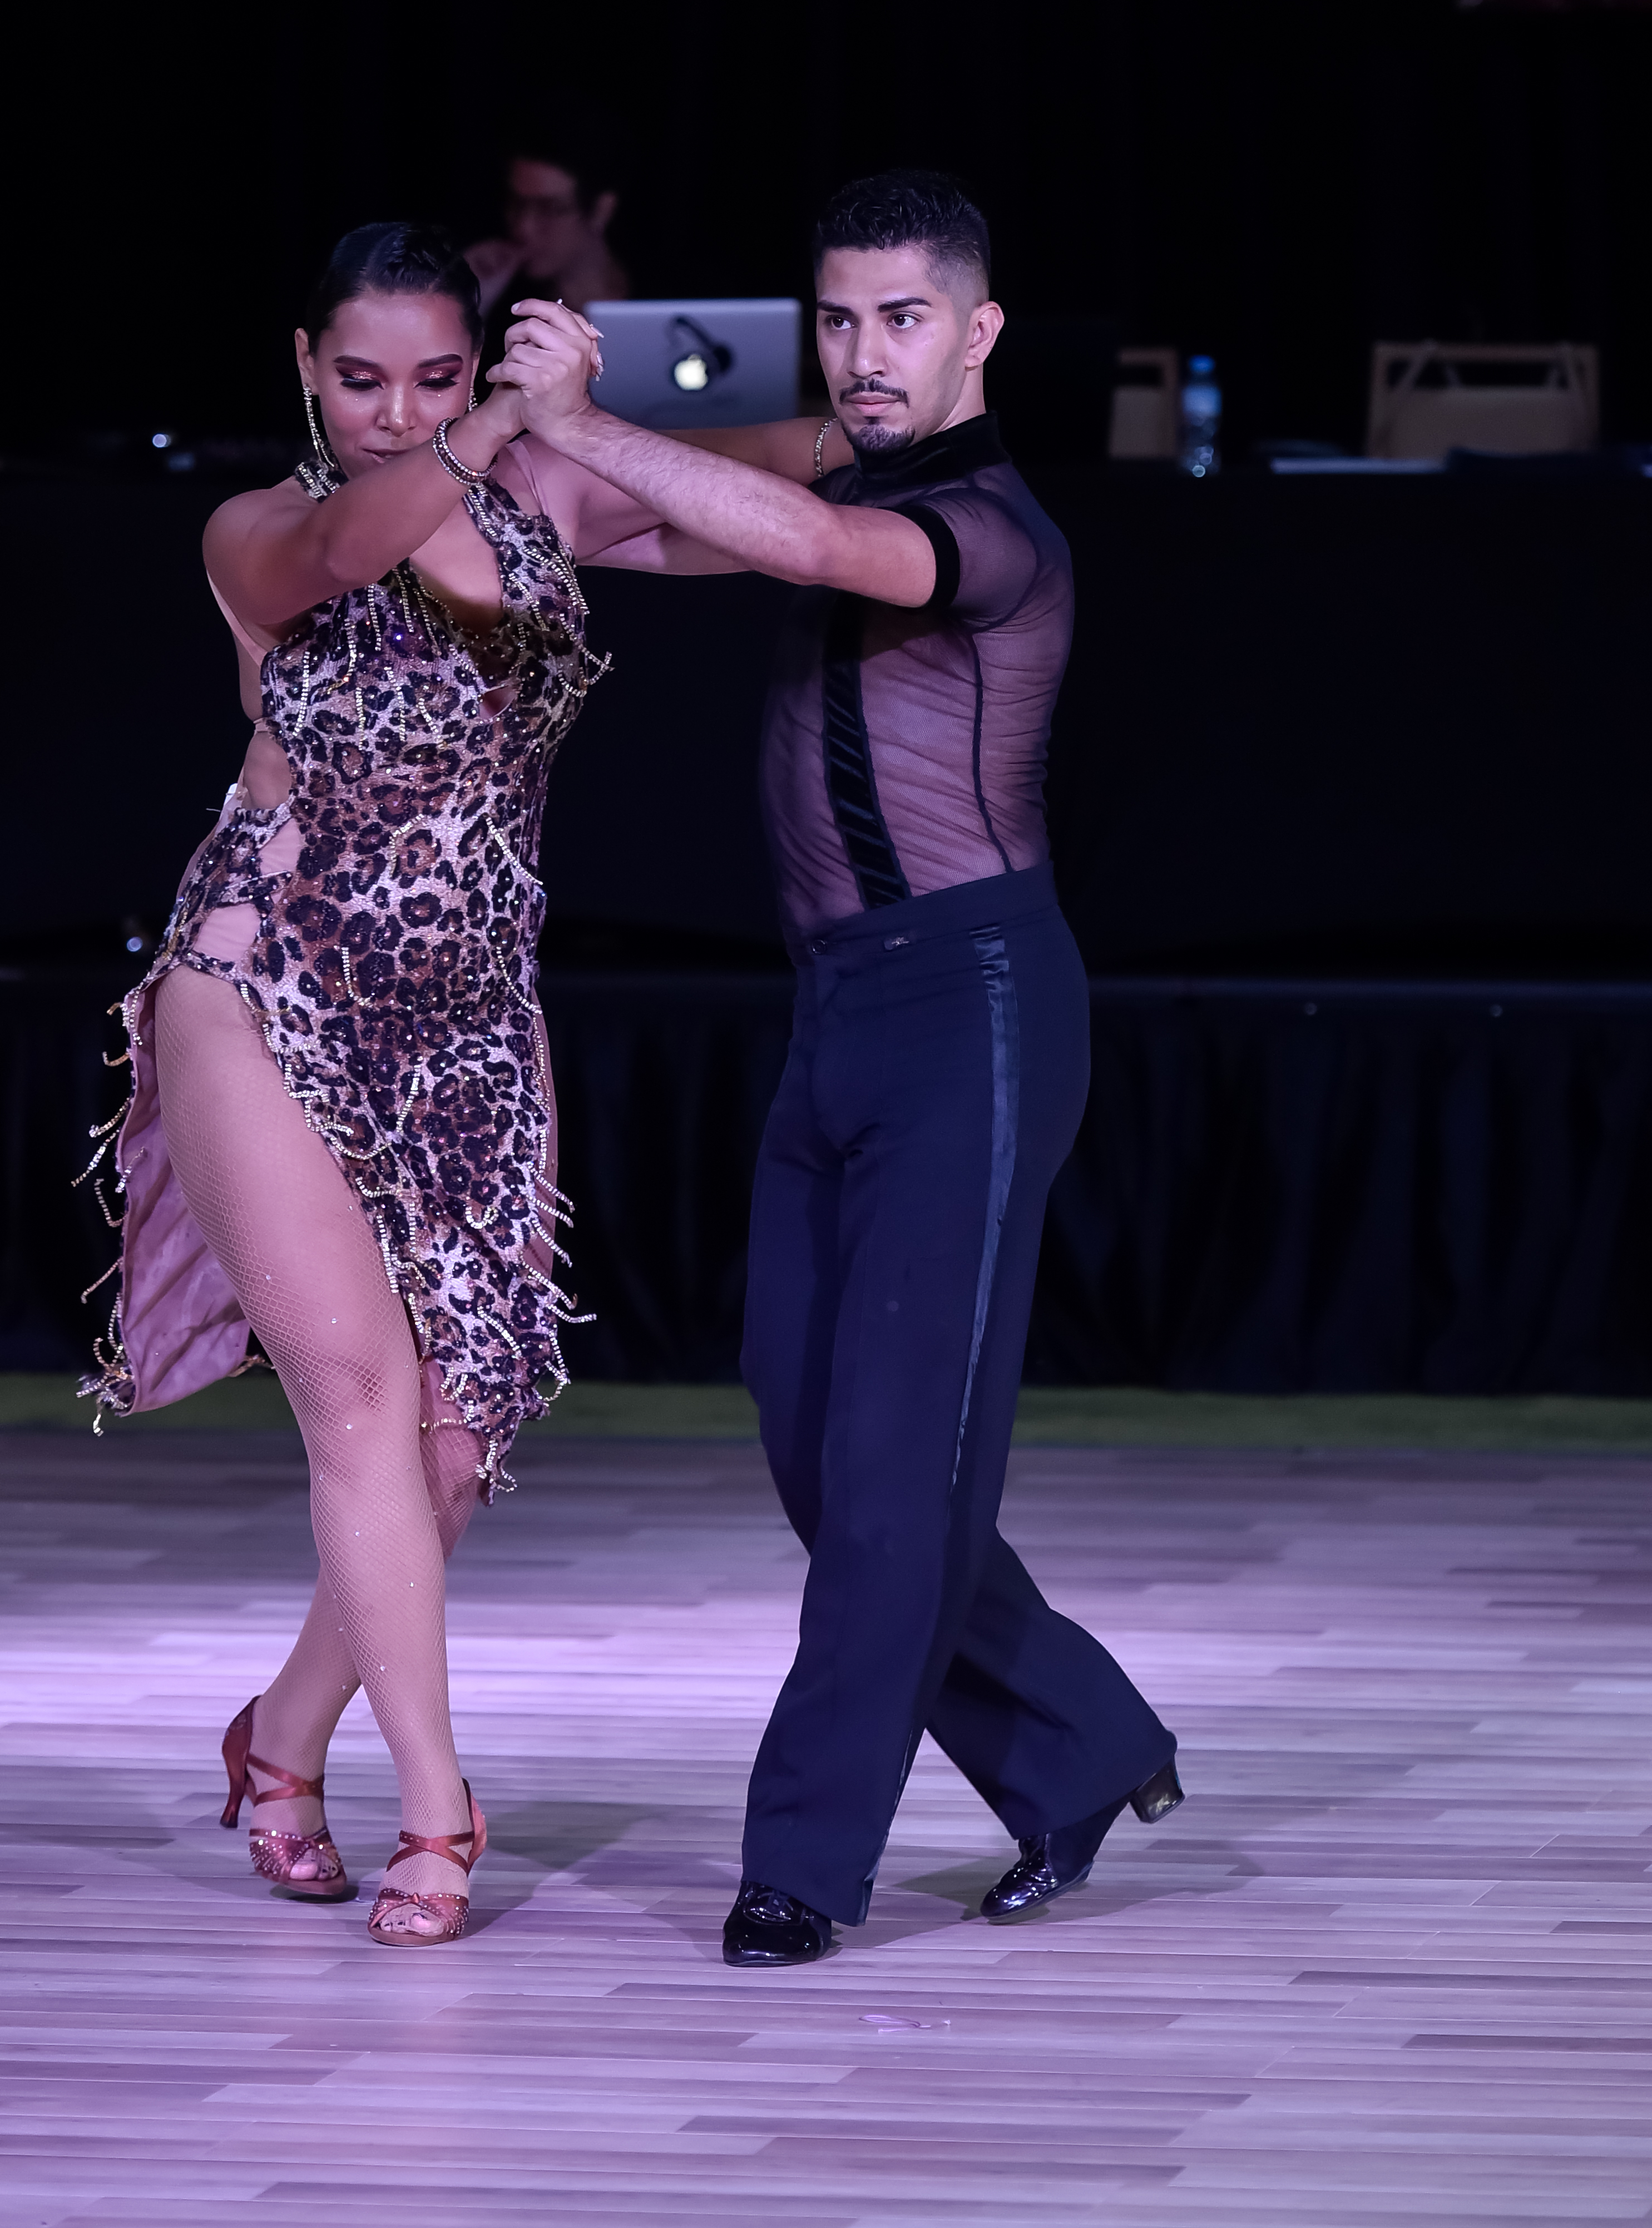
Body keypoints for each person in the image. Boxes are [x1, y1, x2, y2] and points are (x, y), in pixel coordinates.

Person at [491, 169, 1184, 1966]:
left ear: (977, 330)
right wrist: (503, 445)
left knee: (891, 1472)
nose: (866, 353)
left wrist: (586, 423)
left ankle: (802, 1863)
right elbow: (646, 523)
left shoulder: (993, 528)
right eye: (840, 319)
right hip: (836, 1012)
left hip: (974, 1008)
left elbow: (804, 547)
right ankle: (1082, 1743)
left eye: (902, 318)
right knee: (816, 1439)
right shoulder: (832, 467)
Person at [83, 222, 693, 1948]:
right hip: (264, 969)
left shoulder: (542, 498)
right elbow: (355, 543)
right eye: (362, 378)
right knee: (356, 1396)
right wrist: (496, 424)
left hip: (470, 1008)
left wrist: (603, 406)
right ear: (304, 366)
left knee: (458, 1437)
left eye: (439, 376)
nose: (398, 410)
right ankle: (441, 1809)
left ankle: (281, 1737)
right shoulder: (257, 529)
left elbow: (771, 494)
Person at [466, 115, 631, 331]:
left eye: (549, 209)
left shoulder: (661, 294)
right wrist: (471, 301)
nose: (524, 227)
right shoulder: (507, 309)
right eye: (517, 204)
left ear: (601, 210)